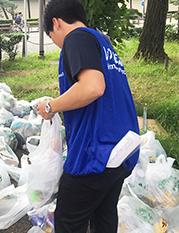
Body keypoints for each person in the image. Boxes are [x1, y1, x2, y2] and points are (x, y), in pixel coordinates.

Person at [36, 0, 140, 232]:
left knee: (68, 221)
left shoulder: (76, 38)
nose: (55, 43)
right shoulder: (101, 41)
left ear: (56, 23)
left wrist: (51, 106)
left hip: (96, 155)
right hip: (121, 151)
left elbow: (93, 88)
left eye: (51, 36)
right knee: (103, 216)